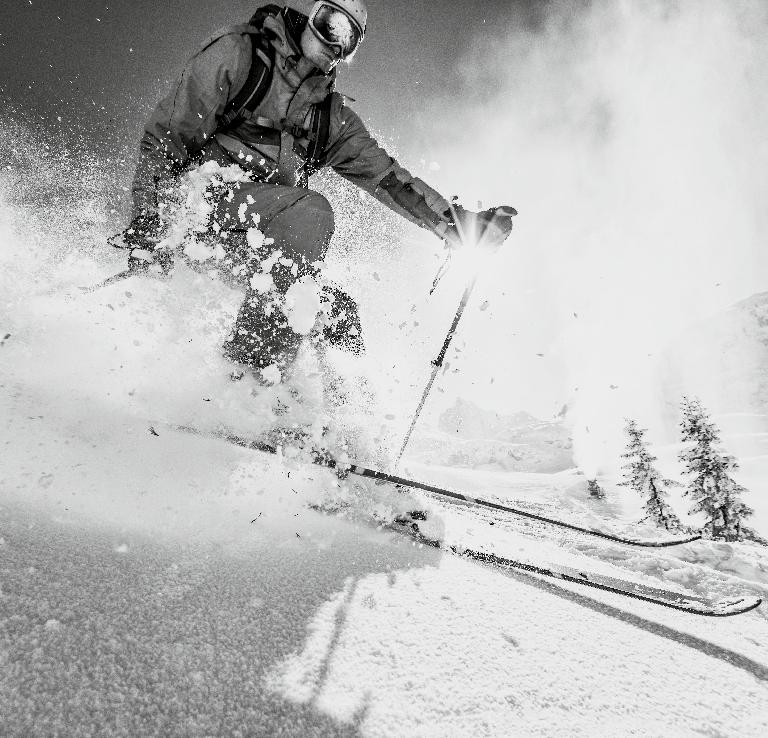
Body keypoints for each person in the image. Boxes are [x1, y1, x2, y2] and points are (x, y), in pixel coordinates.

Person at [122, 0, 515, 382]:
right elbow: (165, 138)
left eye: (349, 39)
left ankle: (328, 420)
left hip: (256, 232)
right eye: (332, 24)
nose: (335, 42)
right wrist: (148, 217)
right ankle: (248, 376)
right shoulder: (240, 56)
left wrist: (456, 225)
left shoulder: (329, 117)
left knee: (335, 313)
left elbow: (390, 179)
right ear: (310, 14)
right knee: (311, 212)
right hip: (196, 207)